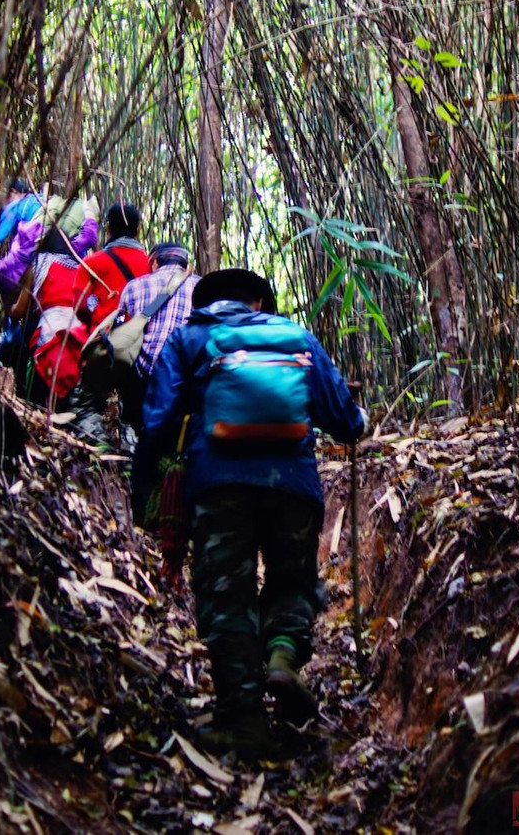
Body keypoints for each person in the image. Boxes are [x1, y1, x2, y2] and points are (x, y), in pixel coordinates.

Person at [132, 268, 367, 760]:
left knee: (227, 599)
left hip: (218, 488)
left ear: (206, 301)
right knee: (292, 581)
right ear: (259, 300)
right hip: (294, 487)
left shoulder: (190, 337)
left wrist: (147, 493)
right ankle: (282, 656)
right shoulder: (295, 337)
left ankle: (244, 721)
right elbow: (347, 422)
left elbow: (154, 421)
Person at [112, 242, 199, 431]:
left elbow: (117, 325)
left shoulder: (133, 286)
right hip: (181, 376)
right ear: (184, 265)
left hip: (141, 378)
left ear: (155, 263)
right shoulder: (200, 288)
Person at [10, 221, 97, 408]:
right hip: (80, 336)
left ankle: (29, 402)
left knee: (24, 356)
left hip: (49, 334)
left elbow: (20, 309)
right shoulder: (83, 268)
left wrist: (8, 313)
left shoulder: (39, 263)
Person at [72, 201, 150, 329]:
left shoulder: (91, 263)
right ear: (138, 230)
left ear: (107, 228)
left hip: (102, 339)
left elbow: (80, 306)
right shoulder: (150, 264)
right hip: (138, 339)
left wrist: (97, 312)